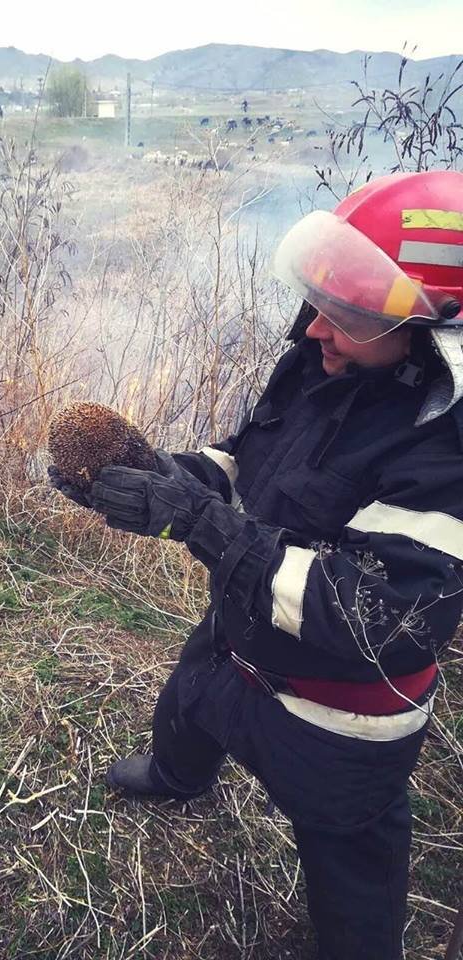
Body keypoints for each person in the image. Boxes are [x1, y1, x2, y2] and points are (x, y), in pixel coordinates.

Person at [49, 170, 463, 960]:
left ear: (433, 331)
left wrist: (204, 526)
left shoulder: (448, 451)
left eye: (346, 311)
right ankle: (177, 778)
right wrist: (159, 479)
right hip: (238, 632)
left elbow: (377, 618)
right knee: (188, 704)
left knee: (352, 867)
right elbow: (248, 467)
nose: (315, 329)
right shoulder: (325, 360)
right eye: (323, 300)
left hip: (341, 714)